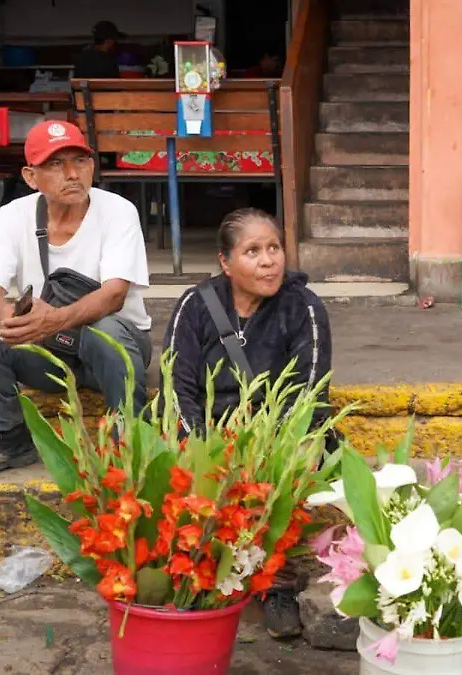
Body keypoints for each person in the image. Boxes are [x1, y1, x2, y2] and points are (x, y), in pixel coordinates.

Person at [0, 121, 152, 484]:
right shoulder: (12, 216)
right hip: (49, 351)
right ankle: (9, 441)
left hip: (115, 349)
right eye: (56, 164)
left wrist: (54, 319)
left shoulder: (118, 211)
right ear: (30, 176)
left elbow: (114, 294)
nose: (72, 174)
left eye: (80, 161)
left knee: (106, 330)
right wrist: (10, 319)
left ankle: (129, 445)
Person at [163, 207, 333, 640]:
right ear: (225, 262)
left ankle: (276, 583)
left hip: (278, 430)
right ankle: (198, 572)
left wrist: (271, 449)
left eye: (274, 248)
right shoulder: (195, 305)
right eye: (252, 251)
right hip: (208, 430)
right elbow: (177, 386)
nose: (268, 261)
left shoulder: (303, 307)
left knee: (290, 465)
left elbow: (309, 393)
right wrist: (203, 448)